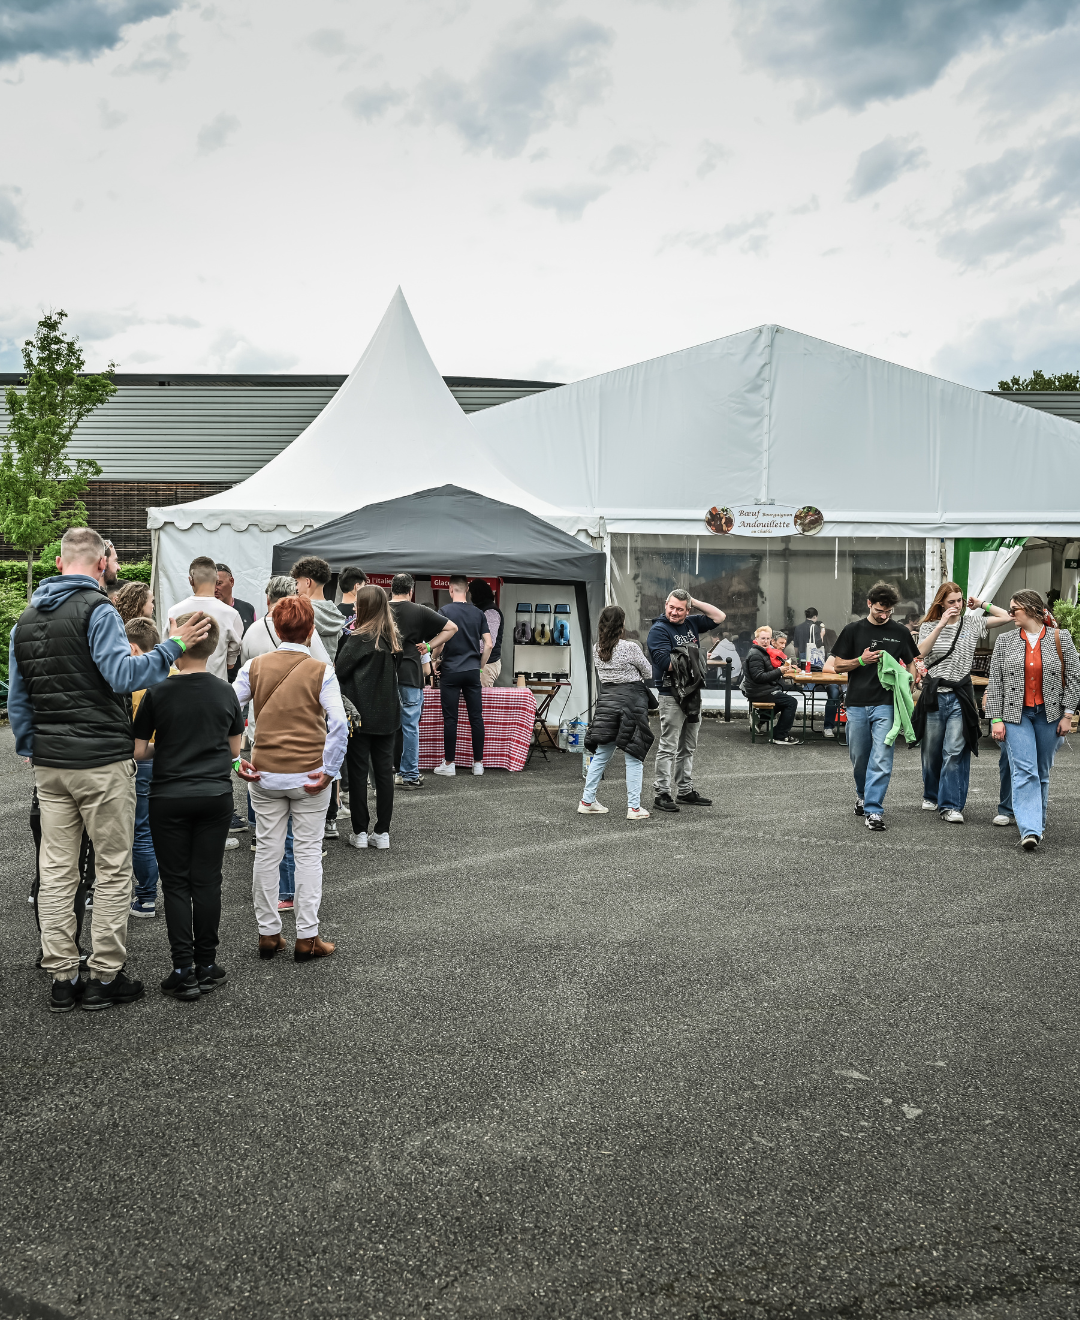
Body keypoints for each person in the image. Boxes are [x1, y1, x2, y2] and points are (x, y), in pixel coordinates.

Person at [7, 526, 211, 1013]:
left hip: (51, 764)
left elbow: (18, 702)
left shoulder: (25, 620)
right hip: (100, 760)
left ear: (58, 563)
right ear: (101, 564)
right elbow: (124, 674)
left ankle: (61, 976)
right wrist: (173, 646)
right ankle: (103, 975)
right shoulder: (99, 611)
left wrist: (34, 747)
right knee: (111, 868)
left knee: (56, 871)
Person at [133, 616, 244, 1000]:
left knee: (176, 883)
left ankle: (182, 969)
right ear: (213, 647)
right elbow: (234, 750)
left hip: (169, 796)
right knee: (208, 880)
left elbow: (137, 750)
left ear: (177, 645)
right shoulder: (226, 692)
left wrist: (168, 746)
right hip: (215, 796)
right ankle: (208, 963)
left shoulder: (157, 692)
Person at [233, 595, 346, 962]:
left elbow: (225, 710)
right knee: (308, 851)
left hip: (264, 774)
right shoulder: (320, 670)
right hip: (309, 774)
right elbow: (339, 724)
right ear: (311, 629)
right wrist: (329, 769)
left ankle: (268, 933)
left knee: (267, 850)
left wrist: (234, 759)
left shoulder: (253, 666)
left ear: (275, 627)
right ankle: (307, 936)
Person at [986, 589, 1080, 851]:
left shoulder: (1060, 638)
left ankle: (1037, 822)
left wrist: (1068, 714)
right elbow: (996, 683)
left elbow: (1073, 678)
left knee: (1041, 770)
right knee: (1025, 770)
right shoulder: (1004, 641)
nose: (1010, 613)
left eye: (1014, 609)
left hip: (1050, 715)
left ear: (1030, 609)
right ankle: (1030, 830)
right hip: (1016, 715)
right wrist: (995, 718)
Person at [824, 581, 919, 831]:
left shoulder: (899, 631)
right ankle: (862, 794)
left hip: (886, 705)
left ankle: (874, 809)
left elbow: (912, 662)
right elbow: (837, 666)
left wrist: (909, 683)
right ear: (869, 603)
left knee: (882, 756)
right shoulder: (853, 630)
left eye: (888, 612)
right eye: (879, 610)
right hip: (856, 703)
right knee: (860, 757)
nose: (883, 615)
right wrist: (861, 660)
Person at [916, 582, 1011, 822]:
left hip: (960, 695)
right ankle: (931, 793)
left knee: (955, 750)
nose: (956, 606)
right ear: (941, 603)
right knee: (931, 751)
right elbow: (920, 652)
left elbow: (1006, 617)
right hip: (935, 695)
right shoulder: (928, 626)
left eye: (959, 601)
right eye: (951, 602)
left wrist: (981, 604)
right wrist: (940, 623)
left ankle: (951, 806)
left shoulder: (971, 623)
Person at [646, 588, 725, 813]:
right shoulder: (659, 629)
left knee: (688, 746)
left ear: (687, 609)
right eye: (671, 607)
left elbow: (719, 617)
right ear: (665, 605)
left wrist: (693, 600)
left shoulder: (691, 623)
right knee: (669, 746)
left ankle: (684, 790)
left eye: (680, 609)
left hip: (692, 692)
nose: (674, 612)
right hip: (671, 693)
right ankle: (661, 793)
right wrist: (698, 655)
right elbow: (665, 663)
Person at [335, 586, 402, 848]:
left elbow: (338, 670)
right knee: (384, 774)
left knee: (358, 772)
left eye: (357, 604)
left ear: (365, 608)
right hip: (387, 715)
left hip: (360, 716)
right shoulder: (391, 638)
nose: (353, 608)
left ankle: (360, 832)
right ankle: (382, 832)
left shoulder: (358, 639)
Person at [578, 605, 654, 820]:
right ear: (622, 624)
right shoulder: (630, 647)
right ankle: (634, 808)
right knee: (633, 754)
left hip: (608, 702)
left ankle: (587, 800)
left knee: (601, 754)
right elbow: (647, 672)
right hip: (631, 703)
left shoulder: (597, 648)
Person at [388, 573, 458, 789]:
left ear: (391, 589)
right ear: (411, 591)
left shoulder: (382, 609)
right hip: (410, 673)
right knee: (410, 726)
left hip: (384, 674)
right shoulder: (418, 610)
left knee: (387, 726)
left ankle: (388, 774)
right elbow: (452, 628)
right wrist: (429, 646)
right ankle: (409, 774)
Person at [433, 575, 492, 778]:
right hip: (471, 671)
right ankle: (478, 764)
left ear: (450, 590)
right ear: (467, 589)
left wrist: (434, 660)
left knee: (451, 719)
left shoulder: (445, 612)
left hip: (450, 670)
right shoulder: (478, 613)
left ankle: (449, 764)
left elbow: (440, 642)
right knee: (476, 717)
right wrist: (480, 667)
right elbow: (489, 644)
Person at [127, 616, 166, 920]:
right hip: (175, 763)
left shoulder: (136, 683)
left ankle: (146, 896)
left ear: (134, 649)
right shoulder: (175, 673)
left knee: (142, 829)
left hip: (145, 761)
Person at [168, 555, 243, 681]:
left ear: (190, 580)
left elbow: (168, 650)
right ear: (216, 579)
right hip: (216, 688)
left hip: (180, 687)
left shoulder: (174, 612)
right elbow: (231, 662)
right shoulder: (231, 614)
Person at [241, 576, 332, 665]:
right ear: (294, 600)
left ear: (268, 599)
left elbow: (244, 667)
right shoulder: (303, 626)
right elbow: (325, 664)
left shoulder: (251, 630)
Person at [742, 625, 801, 745]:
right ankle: (779, 736)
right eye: (762, 638)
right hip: (759, 691)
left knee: (783, 699)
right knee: (791, 702)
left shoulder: (762, 652)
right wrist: (780, 671)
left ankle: (760, 717)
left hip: (762, 690)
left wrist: (781, 670)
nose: (765, 641)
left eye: (767, 639)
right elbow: (759, 677)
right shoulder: (756, 654)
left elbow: (766, 673)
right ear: (756, 639)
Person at [291, 555, 344, 660]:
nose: (296, 587)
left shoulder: (302, 611)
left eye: (297, 582)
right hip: (327, 672)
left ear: (308, 582)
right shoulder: (334, 611)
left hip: (306, 670)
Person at [469, 579, 504, 686]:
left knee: (481, 700)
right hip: (482, 664)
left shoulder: (490, 612)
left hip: (486, 665)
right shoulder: (482, 609)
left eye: (470, 593)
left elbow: (488, 643)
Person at [215, 563, 256, 635]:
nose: (215, 589)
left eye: (219, 583)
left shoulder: (248, 609)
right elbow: (188, 645)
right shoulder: (204, 611)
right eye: (211, 584)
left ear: (231, 581)